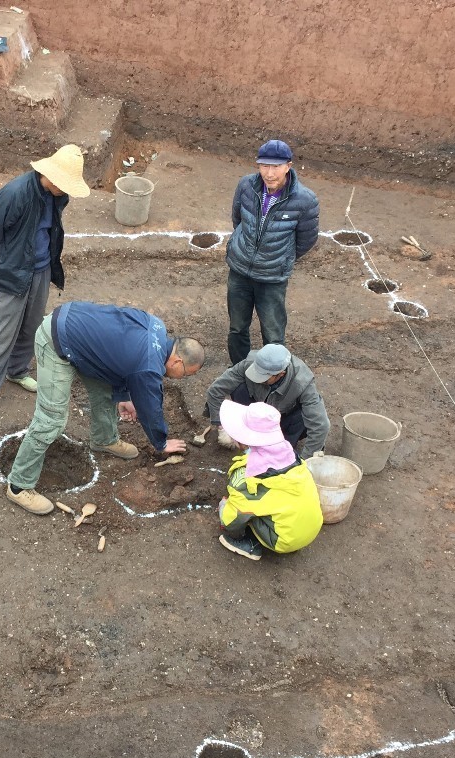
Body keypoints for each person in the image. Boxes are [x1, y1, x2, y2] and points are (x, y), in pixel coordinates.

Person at [6, 301, 205, 515]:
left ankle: (104, 439)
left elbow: (117, 355)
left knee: (105, 391)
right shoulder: (149, 365)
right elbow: (150, 408)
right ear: (176, 362)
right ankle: (19, 486)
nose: (182, 378)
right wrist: (161, 442)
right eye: (186, 374)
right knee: (51, 419)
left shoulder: (156, 326)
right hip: (57, 340)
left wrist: (123, 395)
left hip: (79, 329)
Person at [0, 144, 91, 422]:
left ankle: (17, 371)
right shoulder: (15, 193)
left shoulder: (55, 195)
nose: (67, 190)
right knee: (3, 333)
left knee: (32, 325)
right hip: (13, 272)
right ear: (51, 177)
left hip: (40, 270)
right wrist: (0, 263)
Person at [224, 139, 320, 363]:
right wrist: (245, 248)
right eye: (264, 166)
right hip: (239, 271)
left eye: (276, 166)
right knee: (237, 328)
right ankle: (240, 371)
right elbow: (238, 219)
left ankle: (274, 379)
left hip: (272, 278)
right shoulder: (246, 185)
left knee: (274, 335)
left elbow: (306, 239)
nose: (269, 173)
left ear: (288, 166)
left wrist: (281, 259)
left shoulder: (305, 200)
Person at [216, 399, 323, 560]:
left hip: (285, 540)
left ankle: (251, 546)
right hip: (311, 528)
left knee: (239, 513)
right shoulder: (290, 454)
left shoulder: (249, 479)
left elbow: (230, 522)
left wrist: (224, 508)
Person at [205, 342, 330, 458]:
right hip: (256, 410)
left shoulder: (302, 382)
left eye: (264, 376)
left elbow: (321, 425)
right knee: (238, 388)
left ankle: (283, 445)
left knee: (302, 418)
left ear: (281, 373)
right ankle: (248, 432)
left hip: (283, 418)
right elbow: (216, 390)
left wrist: (305, 462)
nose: (258, 377)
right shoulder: (250, 363)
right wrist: (221, 426)